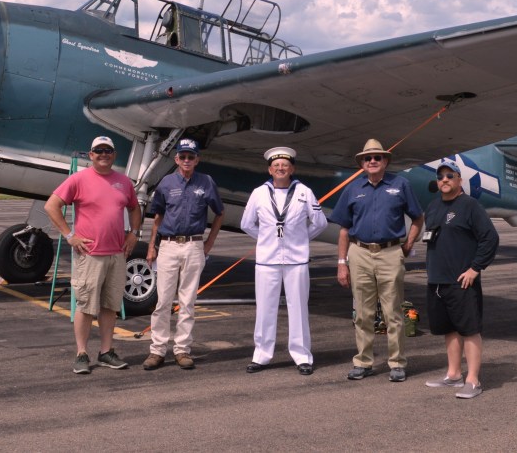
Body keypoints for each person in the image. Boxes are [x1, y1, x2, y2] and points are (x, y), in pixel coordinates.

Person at [45, 135, 143, 375]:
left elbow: (134, 207)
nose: (103, 154)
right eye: (98, 151)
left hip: (117, 254)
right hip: (90, 254)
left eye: (108, 151)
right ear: (91, 155)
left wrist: (134, 234)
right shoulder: (78, 179)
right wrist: (70, 236)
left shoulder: (124, 182)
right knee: (86, 305)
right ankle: (81, 353)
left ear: (114, 155)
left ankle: (106, 351)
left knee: (110, 305)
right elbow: (51, 206)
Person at [331, 138, 424, 382]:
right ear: (362, 163)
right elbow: (343, 229)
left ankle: (397, 363)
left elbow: (417, 217)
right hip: (359, 252)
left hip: (390, 252)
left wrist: (408, 245)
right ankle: (363, 362)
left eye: (377, 157)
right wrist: (342, 263)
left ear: (385, 161)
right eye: (367, 158)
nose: (372, 161)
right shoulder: (352, 188)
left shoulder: (400, 185)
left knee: (393, 311)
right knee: (363, 312)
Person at [240, 147, 329, 375]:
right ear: (270, 169)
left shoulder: (304, 192)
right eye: (276, 165)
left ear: (292, 169)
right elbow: (247, 224)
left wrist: (300, 239)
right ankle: (261, 355)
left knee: (298, 308)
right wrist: (266, 239)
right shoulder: (259, 193)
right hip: (267, 261)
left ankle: (302, 356)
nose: (281, 168)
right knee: (265, 309)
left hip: (296, 260)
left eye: (285, 165)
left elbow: (319, 223)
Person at [143, 137, 224, 370]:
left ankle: (182, 350)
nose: (187, 160)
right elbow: (157, 216)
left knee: (188, 301)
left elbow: (219, 213)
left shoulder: (206, 182)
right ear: (176, 158)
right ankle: (157, 350)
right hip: (168, 245)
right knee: (163, 301)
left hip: (193, 245)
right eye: (183, 156)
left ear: (197, 159)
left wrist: (208, 243)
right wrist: (152, 246)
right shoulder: (167, 183)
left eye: (191, 156)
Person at [421, 159, 498, 399]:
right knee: (449, 329)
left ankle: (473, 380)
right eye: (441, 176)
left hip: (462, 280)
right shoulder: (433, 207)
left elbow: (490, 238)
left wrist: (475, 268)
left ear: (459, 180)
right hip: (437, 279)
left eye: (450, 176)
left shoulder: (470, 206)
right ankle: (453, 375)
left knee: (469, 329)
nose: (445, 180)